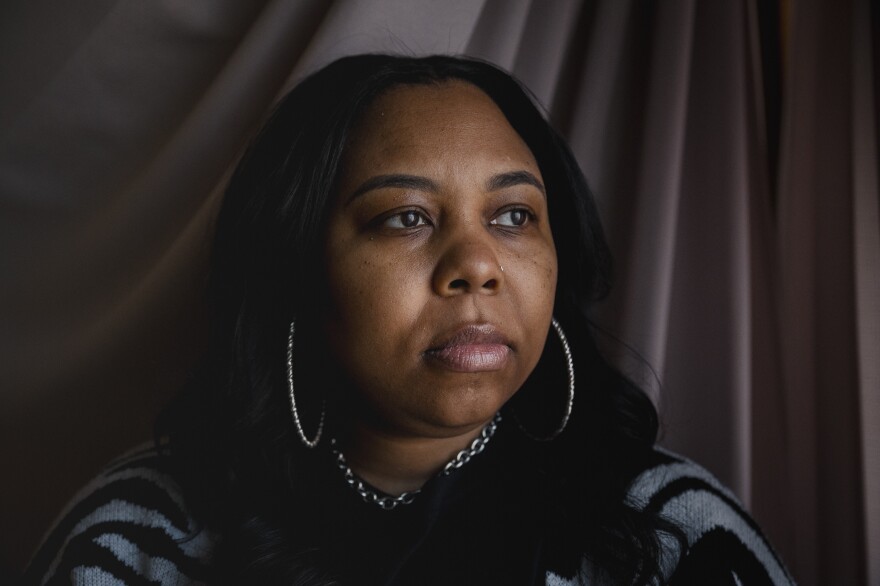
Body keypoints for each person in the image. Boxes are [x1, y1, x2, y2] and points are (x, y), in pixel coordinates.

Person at [23, 54, 795, 586]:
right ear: (298, 272)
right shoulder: (138, 538)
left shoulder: (670, 532)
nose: (478, 263)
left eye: (516, 215)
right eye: (405, 219)